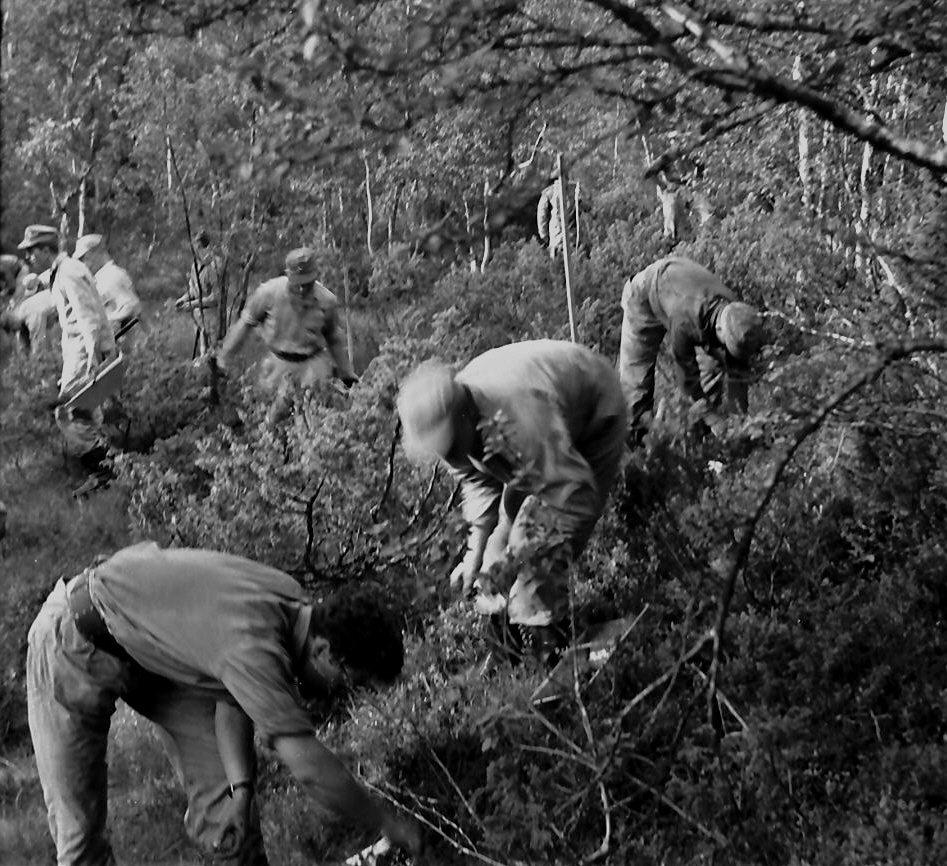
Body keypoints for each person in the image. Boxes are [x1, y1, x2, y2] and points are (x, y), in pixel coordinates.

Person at [26, 540, 422, 865]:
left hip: (155, 654)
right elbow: (310, 770)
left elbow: (232, 697)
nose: (343, 691)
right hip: (72, 641)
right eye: (350, 679)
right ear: (324, 649)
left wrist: (242, 790)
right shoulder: (256, 646)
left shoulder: (290, 602)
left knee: (228, 809)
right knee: (80, 840)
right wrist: (389, 824)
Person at [396, 339, 626, 666]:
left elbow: (572, 491)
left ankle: (556, 660)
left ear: (462, 414)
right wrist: (475, 557)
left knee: (539, 553)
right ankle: (509, 655)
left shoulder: (519, 418)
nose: (448, 455)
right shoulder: (458, 428)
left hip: (594, 418)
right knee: (497, 549)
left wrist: (519, 559)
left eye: (448, 443)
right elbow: (477, 480)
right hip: (539, 450)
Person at [618, 256, 764, 445]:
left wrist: (740, 423)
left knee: (712, 373)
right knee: (635, 392)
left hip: (681, 289)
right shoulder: (685, 320)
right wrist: (713, 418)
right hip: (645, 294)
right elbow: (687, 379)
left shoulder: (737, 315)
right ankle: (639, 450)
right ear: (720, 330)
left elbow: (738, 372)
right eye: (730, 347)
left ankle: (701, 438)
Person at [16, 224, 116, 476]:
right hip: (78, 349)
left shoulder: (68, 272)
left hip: (84, 349)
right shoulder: (62, 270)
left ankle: (105, 474)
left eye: (32, 251)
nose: (28, 257)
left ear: (46, 250)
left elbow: (87, 315)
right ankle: (113, 470)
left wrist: (93, 356)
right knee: (88, 416)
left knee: (68, 415)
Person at [216, 247, 357, 425]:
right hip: (278, 364)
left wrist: (347, 373)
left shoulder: (326, 301)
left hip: (312, 366)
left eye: (307, 283)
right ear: (287, 274)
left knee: (312, 423)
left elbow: (334, 337)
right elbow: (245, 324)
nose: (301, 288)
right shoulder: (268, 293)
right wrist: (224, 357)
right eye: (297, 282)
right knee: (269, 421)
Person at [73, 233, 142, 340]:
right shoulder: (101, 278)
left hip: (124, 342)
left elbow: (131, 306)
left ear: (96, 253)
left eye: (85, 258)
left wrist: (105, 324)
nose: (84, 264)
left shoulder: (112, 276)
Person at [174, 229, 225, 357]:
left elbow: (215, 297)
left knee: (214, 352)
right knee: (202, 350)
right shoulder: (195, 266)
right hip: (199, 316)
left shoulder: (214, 267)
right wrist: (185, 299)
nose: (196, 251)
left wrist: (193, 304)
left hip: (211, 315)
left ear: (205, 248)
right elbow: (194, 289)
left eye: (198, 248)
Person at [536, 181, 565, 259]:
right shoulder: (574, 188)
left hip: (556, 238)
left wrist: (544, 236)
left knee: (557, 266)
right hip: (574, 237)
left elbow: (541, 217)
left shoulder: (548, 193)